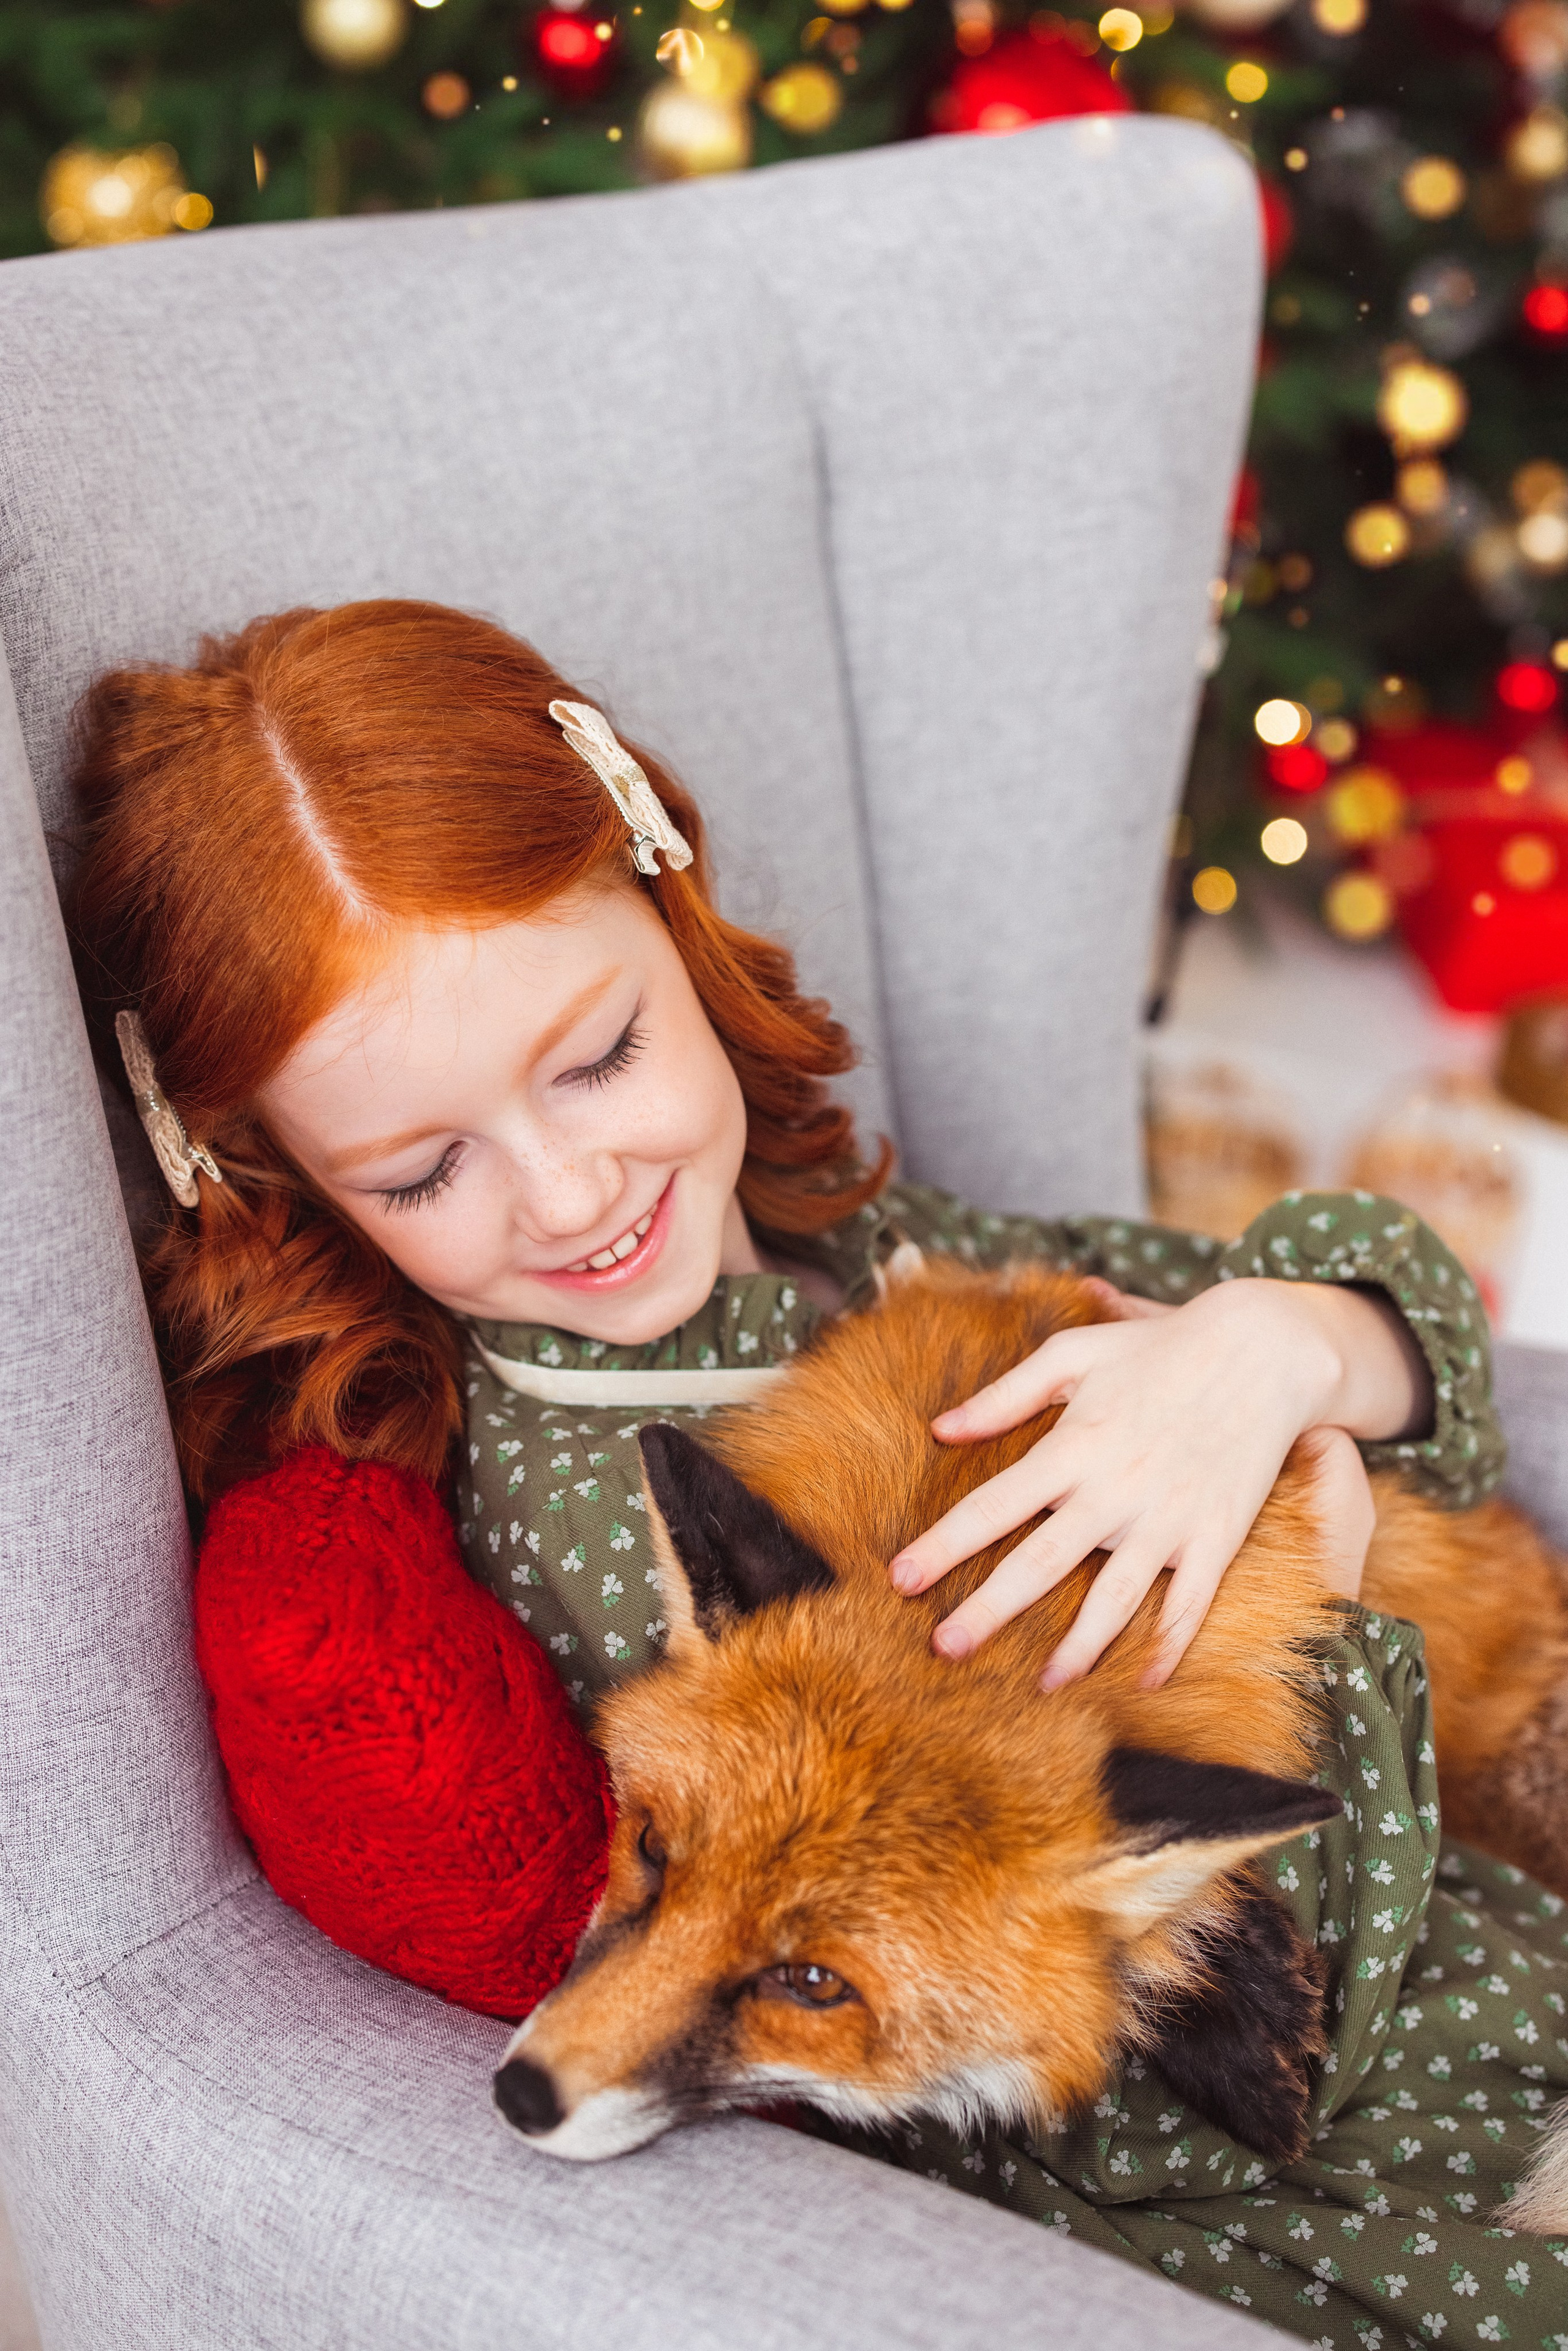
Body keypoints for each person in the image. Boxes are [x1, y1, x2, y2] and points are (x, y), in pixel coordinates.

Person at [68, 600, 1556, 2348]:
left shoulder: (869, 1247)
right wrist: (1336, 1580)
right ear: (273, 1179)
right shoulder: (603, 1517)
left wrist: (1278, 1350)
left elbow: (1437, 1366)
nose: (572, 1196)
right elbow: (1163, 2035)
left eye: (599, 1058)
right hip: (1323, 2143)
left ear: (676, 919)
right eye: (422, 1172)